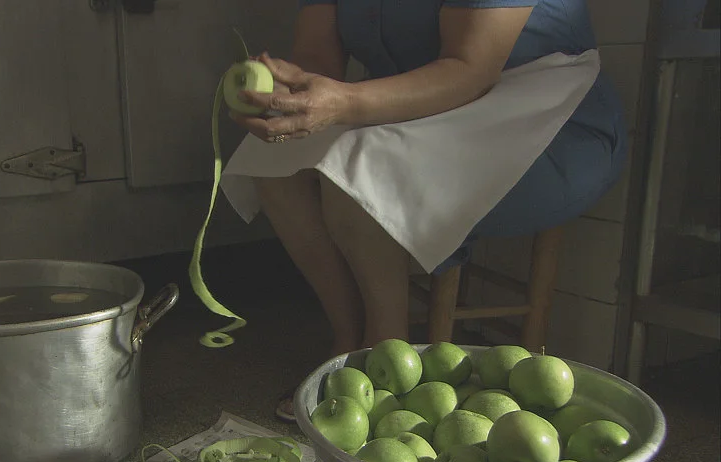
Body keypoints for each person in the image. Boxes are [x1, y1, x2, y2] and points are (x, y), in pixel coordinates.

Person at [225, 0, 627, 422]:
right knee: (272, 160)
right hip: (424, 104)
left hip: (544, 110)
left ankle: (387, 360)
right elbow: (317, 63)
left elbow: (470, 68)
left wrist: (343, 103)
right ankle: (347, 340)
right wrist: (282, 96)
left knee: (365, 166)